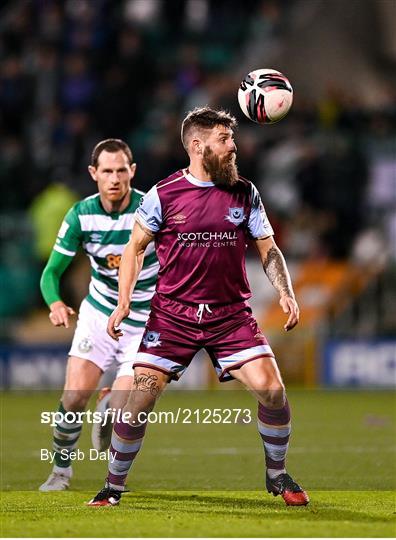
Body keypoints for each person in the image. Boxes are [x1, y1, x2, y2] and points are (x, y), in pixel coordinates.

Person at [88, 108, 309, 507]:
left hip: (230, 316)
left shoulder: (245, 191)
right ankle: (112, 486)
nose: (233, 147)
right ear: (197, 145)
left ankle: (277, 477)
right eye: (224, 139)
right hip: (173, 316)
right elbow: (134, 249)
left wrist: (285, 291)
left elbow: (268, 249)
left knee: (273, 390)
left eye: (232, 139)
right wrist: (123, 303)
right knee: (141, 398)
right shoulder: (164, 194)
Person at [39, 139, 159, 491]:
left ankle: (109, 402)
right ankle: (61, 471)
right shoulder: (80, 214)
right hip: (99, 313)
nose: (115, 178)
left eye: (122, 170)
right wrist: (55, 303)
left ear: (132, 172)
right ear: (94, 174)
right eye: (107, 170)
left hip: (144, 321)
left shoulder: (151, 209)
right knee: (74, 395)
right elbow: (51, 272)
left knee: (126, 412)